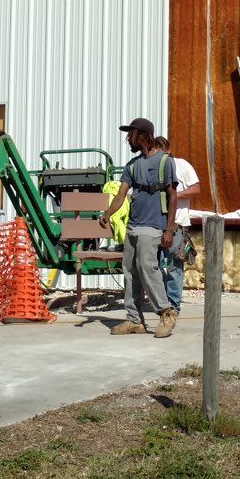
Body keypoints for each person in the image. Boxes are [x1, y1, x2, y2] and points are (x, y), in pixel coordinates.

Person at [101, 117, 179, 338]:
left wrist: (169, 229)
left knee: (147, 267)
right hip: (133, 227)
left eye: (131, 135)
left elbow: (173, 196)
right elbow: (120, 195)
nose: (128, 140)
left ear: (143, 135)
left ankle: (166, 312)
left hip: (154, 227)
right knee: (130, 272)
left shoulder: (165, 162)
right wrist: (107, 214)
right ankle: (134, 320)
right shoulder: (132, 165)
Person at [153, 136, 200, 314]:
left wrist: (174, 196)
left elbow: (196, 189)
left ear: (169, 151)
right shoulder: (151, 167)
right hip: (154, 223)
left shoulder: (181, 165)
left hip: (177, 223)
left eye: (162, 153)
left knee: (174, 266)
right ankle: (161, 302)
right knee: (153, 266)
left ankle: (173, 305)